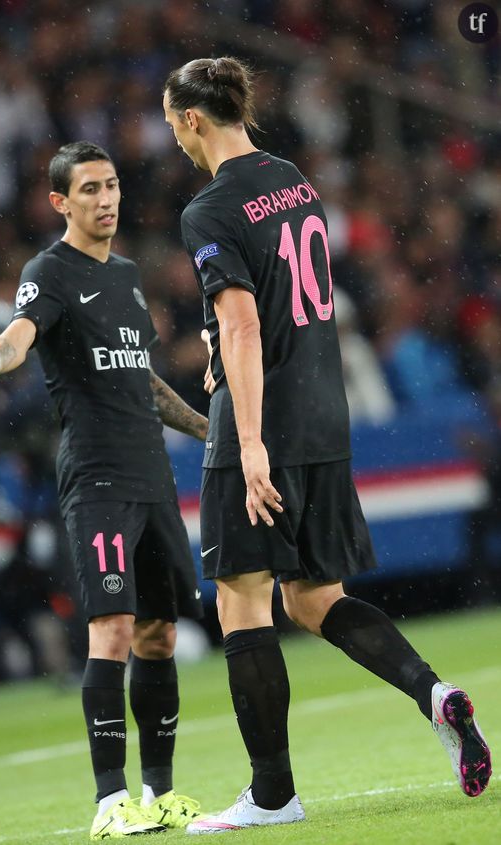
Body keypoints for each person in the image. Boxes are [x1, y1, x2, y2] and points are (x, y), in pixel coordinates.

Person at [162, 57, 492, 833]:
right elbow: (286, 303)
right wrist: (225, 345)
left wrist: (246, 445)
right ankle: (434, 695)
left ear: (191, 120)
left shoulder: (208, 209)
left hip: (263, 424)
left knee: (242, 601)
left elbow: (243, 321)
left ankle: (272, 792)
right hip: (323, 414)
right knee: (313, 597)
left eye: (171, 118)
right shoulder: (293, 179)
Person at [0, 141, 208, 839]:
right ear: (60, 202)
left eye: (112, 185)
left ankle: (157, 792)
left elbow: (143, 380)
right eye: (90, 189)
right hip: (97, 478)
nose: (106, 200)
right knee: (113, 630)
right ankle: (109, 801)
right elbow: (19, 334)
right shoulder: (51, 271)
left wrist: (206, 427)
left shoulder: (129, 276)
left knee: (160, 636)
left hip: (152, 479)